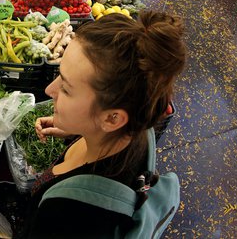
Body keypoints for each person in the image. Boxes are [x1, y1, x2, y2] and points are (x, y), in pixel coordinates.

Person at [23, 12, 186, 238]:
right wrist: (79, 129)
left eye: (67, 89)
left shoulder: (68, 215)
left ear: (112, 119)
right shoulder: (136, 131)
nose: (49, 89)